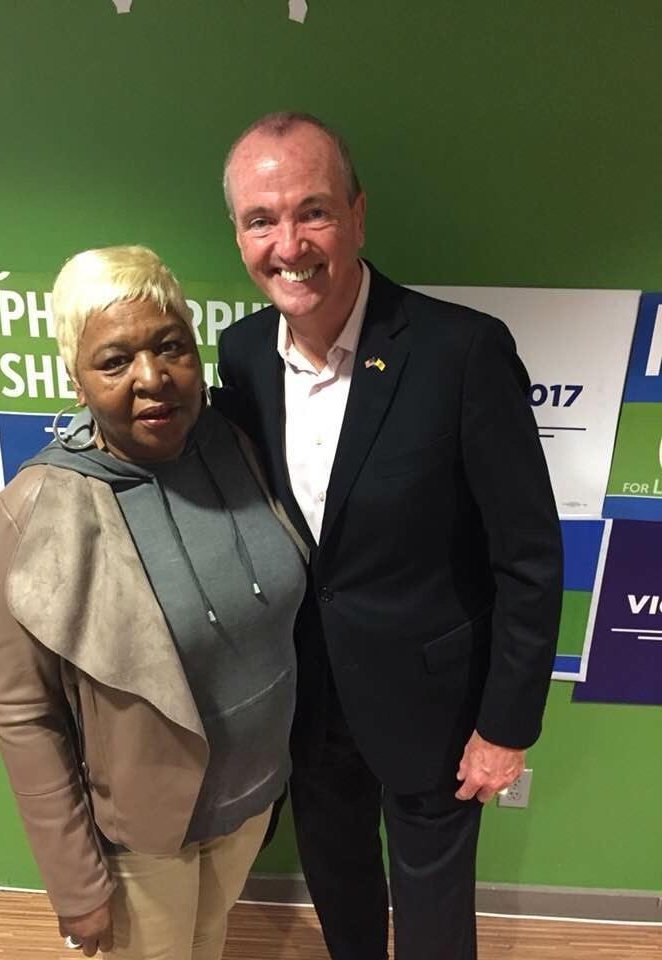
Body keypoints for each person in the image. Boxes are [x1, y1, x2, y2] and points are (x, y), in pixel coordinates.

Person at [213, 112, 563, 960]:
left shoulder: (462, 352)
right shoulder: (242, 353)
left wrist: (507, 726)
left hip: (435, 709)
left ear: (359, 215)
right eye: (261, 220)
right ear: (239, 234)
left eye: (313, 211)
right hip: (306, 705)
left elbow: (528, 558)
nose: (289, 245)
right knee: (339, 887)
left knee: (435, 919)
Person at [0, 245, 307, 960]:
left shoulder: (236, 443)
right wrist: (76, 885)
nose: (152, 377)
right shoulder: (30, 517)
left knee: (208, 942)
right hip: (145, 839)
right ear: (77, 378)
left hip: (251, 800)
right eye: (115, 360)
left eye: (170, 346)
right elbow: (25, 716)